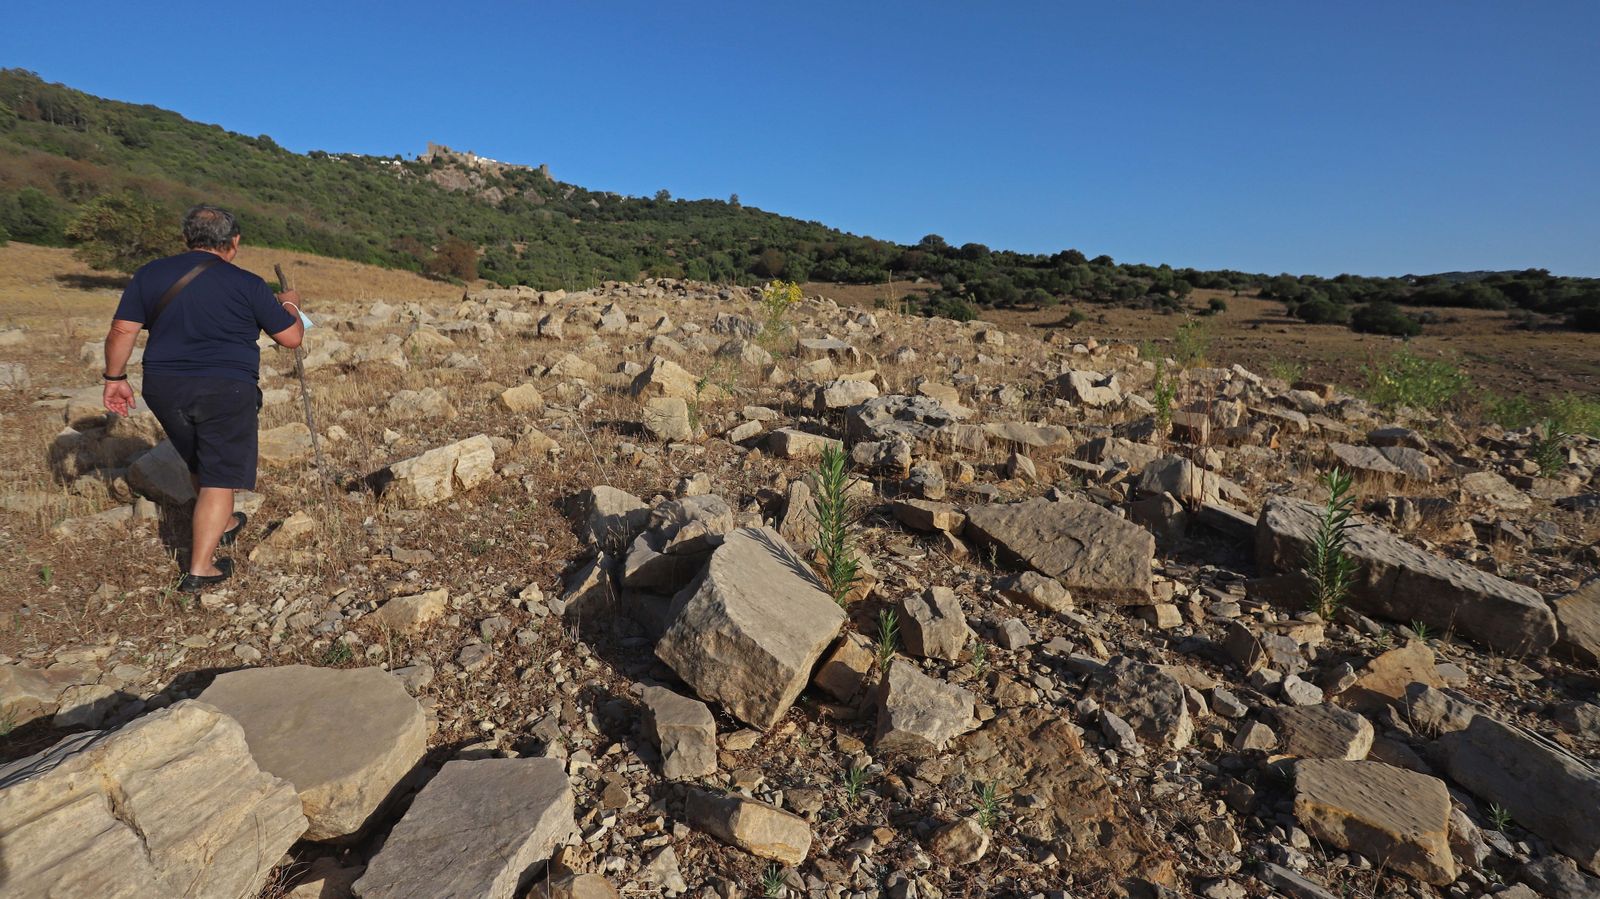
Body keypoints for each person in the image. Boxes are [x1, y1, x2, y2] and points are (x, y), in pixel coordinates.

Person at [102, 205, 305, 592]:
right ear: (234, 241)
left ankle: (223, 522)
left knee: (198, 455)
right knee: (219, 477)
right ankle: (200, 568)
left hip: (163, 386)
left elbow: (122, 330)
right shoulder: (247, 283)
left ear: (187, 237)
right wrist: (290, 303)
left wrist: (114, 378)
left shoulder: (150, 274)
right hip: (226, 387)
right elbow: (291, 338)